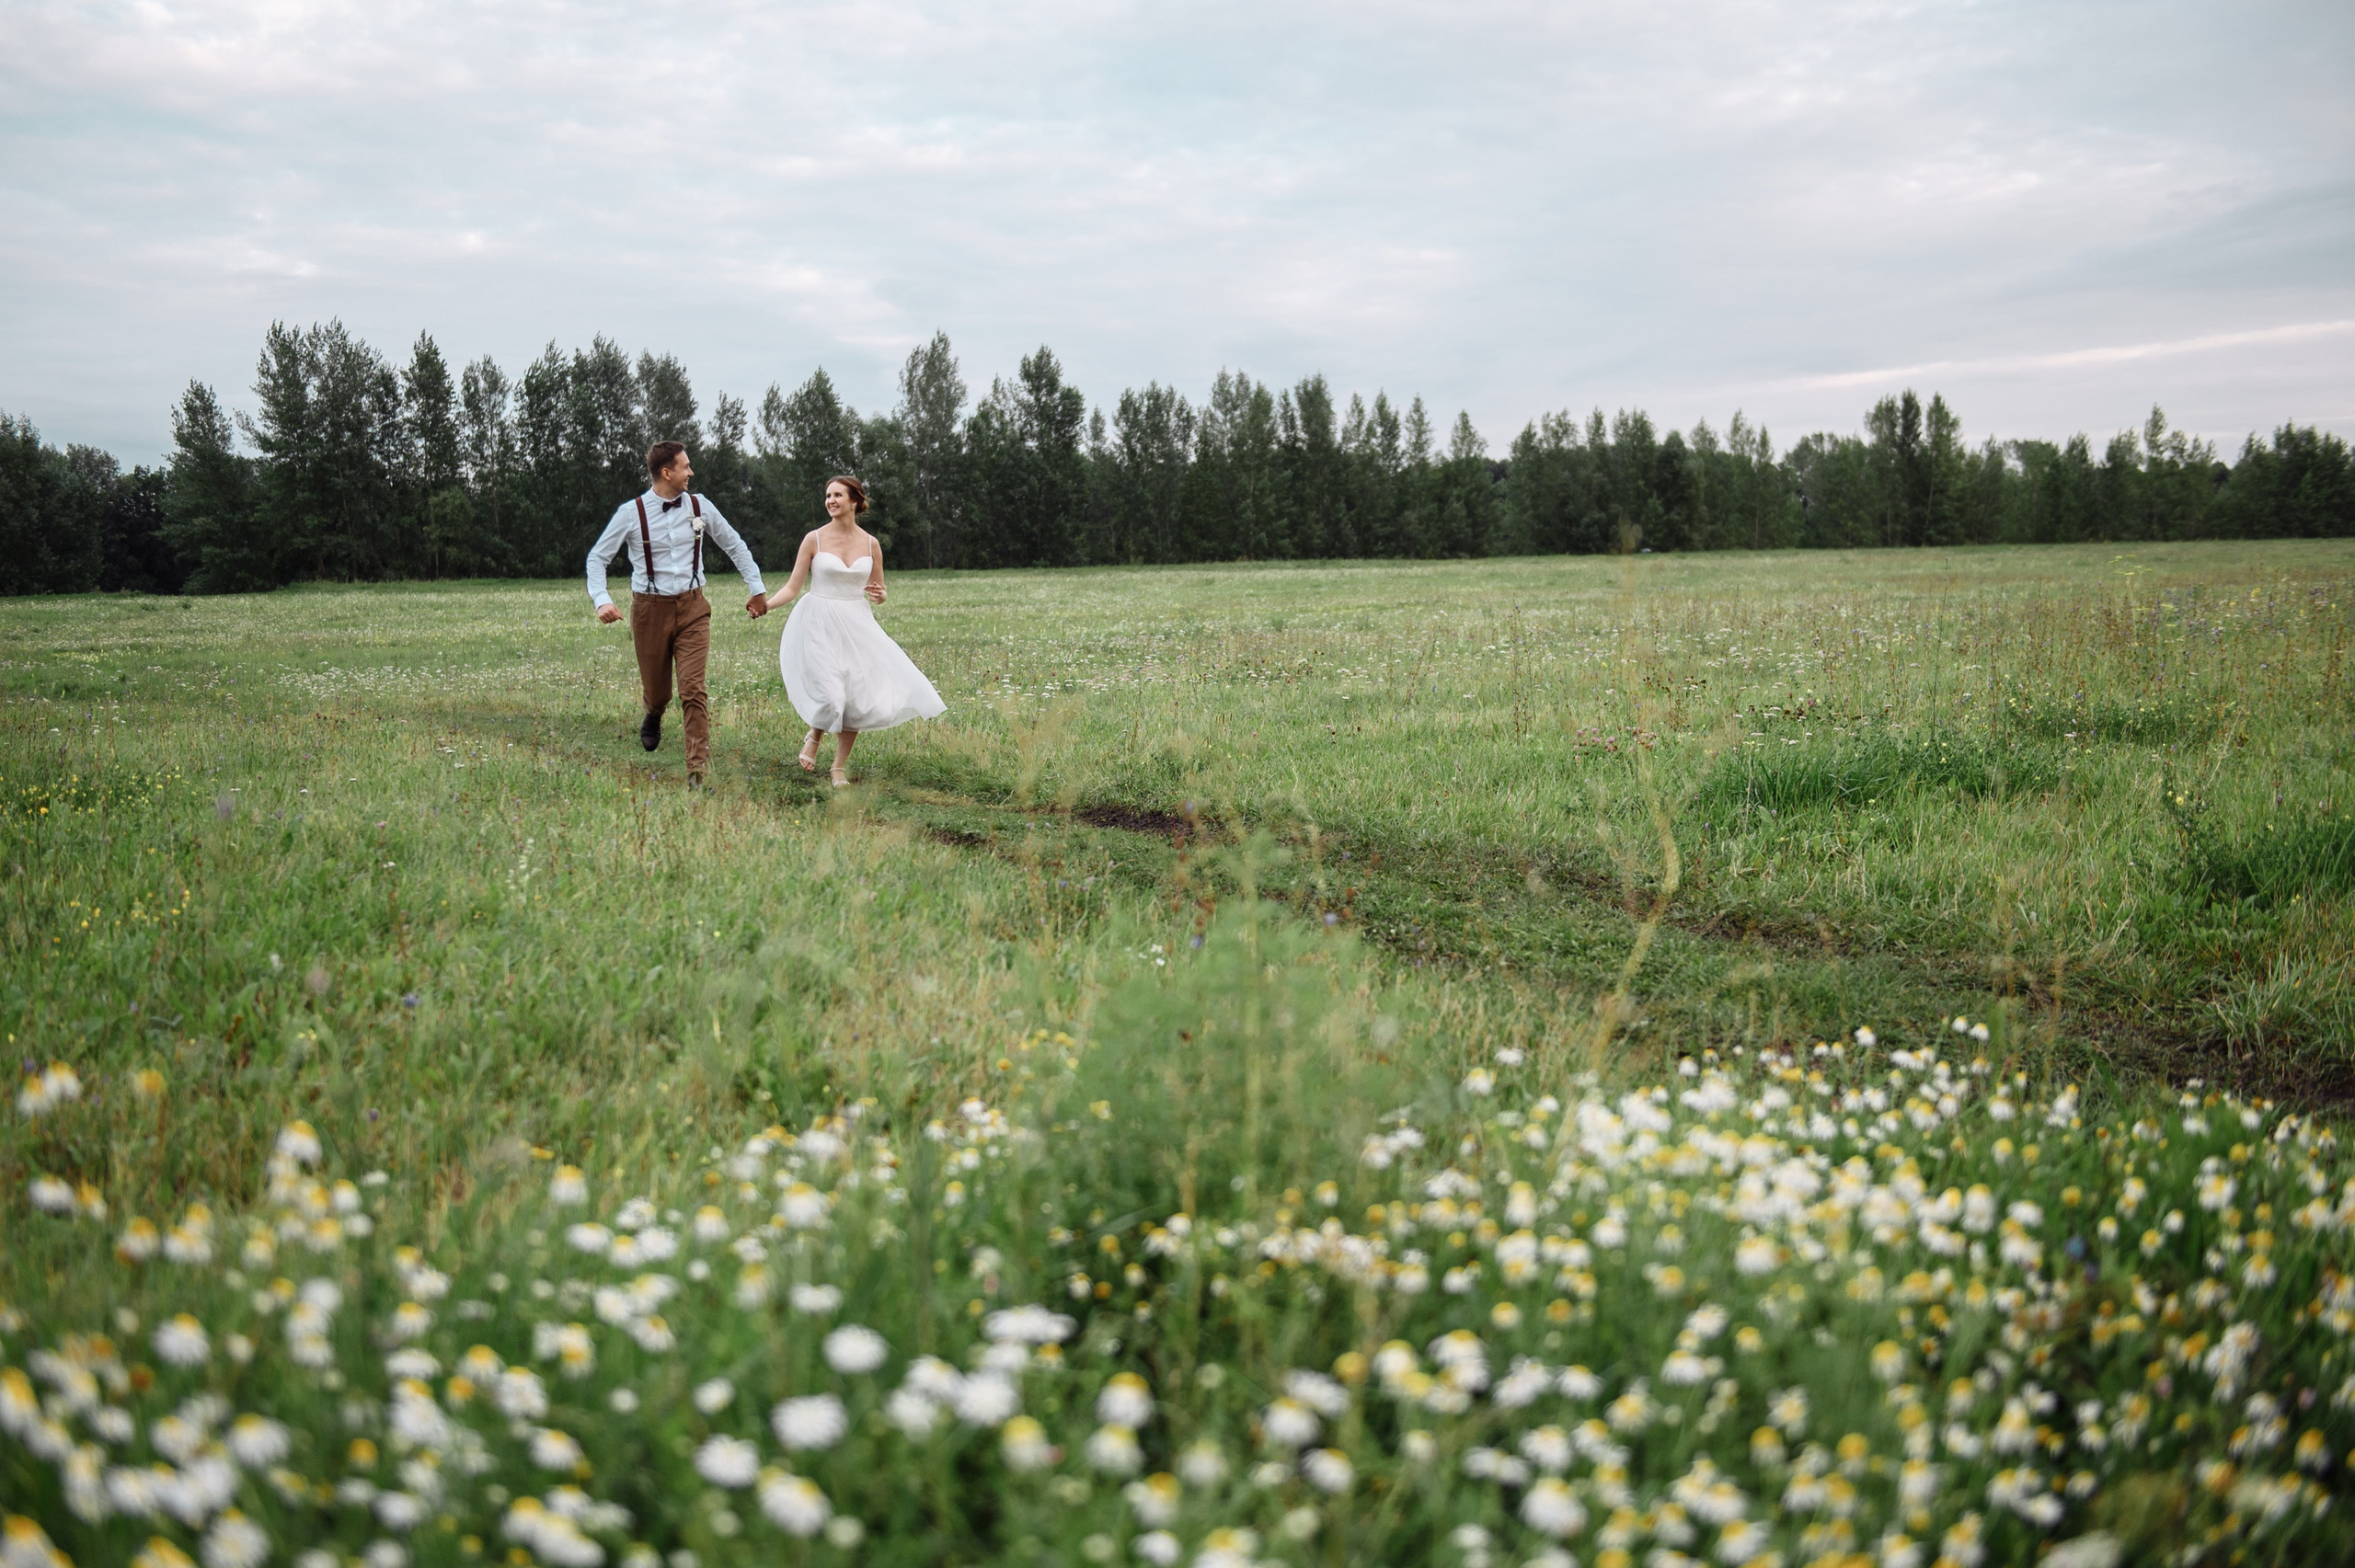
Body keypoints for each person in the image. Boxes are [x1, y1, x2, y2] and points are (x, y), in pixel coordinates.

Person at [585, 441, 770, 788]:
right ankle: (653, 713)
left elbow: (734, 544)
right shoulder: (631, 513)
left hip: (693, 608)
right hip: (649, 610)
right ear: (667, 473)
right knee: (659, 694)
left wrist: (756, 588)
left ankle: (696, 772)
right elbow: (597, 558)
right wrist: (602, 599)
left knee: (693, 689)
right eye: (685, 467)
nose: (691, 472)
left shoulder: (701, 506)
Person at [765, 475, 944, 786]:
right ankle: (816, 735)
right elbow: (793, 587)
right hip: (818, 620)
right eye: (828, 495)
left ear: (854, 501)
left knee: (857, 698)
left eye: (837, 495)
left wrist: (880, 596)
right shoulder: (814, 539)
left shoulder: (871, 544)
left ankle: (838, 768)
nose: (831, 501)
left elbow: (881, 589)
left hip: (857, 622)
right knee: (832, 693)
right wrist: (766, 606)